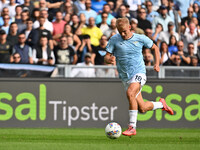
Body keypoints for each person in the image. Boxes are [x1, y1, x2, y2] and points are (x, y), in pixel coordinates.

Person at [104, 17, 174, 136]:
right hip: (125, 77)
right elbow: (106, 56)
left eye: (124, 31)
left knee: (131, 93)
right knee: (142, 108)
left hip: (139, 73)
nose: (122, 34)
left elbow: (155, 48)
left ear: (130, 27)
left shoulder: (140, 38)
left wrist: (157, 63)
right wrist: (108, 59)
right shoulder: (114, 39)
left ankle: (132, 127)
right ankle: (162, 104)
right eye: (120, 31)